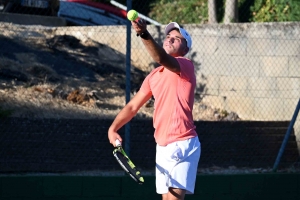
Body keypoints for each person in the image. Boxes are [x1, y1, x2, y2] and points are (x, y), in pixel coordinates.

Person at [108, 19, 201, 200]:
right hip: (162, 146)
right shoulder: (153, 76)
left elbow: (159, 58)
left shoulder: (185, 66)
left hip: (183, 144)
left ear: (185, 49)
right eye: (168, 36)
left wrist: (143, 33)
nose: (170, 39)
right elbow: (133, 106)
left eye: (177, 38)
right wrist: (113, 128)